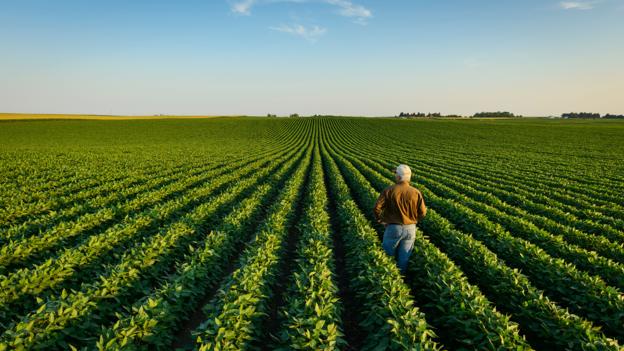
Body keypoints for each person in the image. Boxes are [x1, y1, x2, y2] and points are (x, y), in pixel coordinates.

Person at [373, 164, 427, 273]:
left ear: (398, 177)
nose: (395, 176)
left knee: (387, 257)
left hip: (393, 228)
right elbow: (423, 212)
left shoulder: (389, 190)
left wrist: (381, 220)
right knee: (404, 259)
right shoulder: (416, 192)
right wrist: (414, 220)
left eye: (396, 174)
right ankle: (401, 281)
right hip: (410, 229)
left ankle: (390, 278)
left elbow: (376, 208)